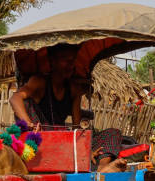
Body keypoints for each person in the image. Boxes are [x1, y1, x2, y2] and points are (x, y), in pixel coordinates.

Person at [9, 43, 127, 172]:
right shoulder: (40, 81)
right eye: (66, 60)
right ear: (53, 61)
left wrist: (87, 150)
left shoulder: (73, 89)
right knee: (26, 102)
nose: (71, 65)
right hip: (41, 139)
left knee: (113, 133)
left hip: (65, 142)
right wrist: (28, 123)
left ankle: (102, 167)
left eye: (73, 61)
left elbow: (77, 128)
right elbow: (15, 98)